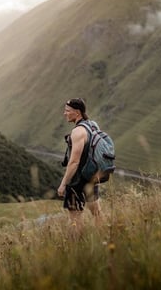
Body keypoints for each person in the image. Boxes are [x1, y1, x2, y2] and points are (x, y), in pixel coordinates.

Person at [57, 98, 101, 232]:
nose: (65, 113)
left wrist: (63, 184)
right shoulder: (93, 125)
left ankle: (76, 248)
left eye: (67, 111)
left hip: (77, 180)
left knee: (75, 219)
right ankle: (105, 236)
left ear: (77, 113)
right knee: (97, 213)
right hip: (92, 175)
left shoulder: (77, 132)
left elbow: (74, 162)